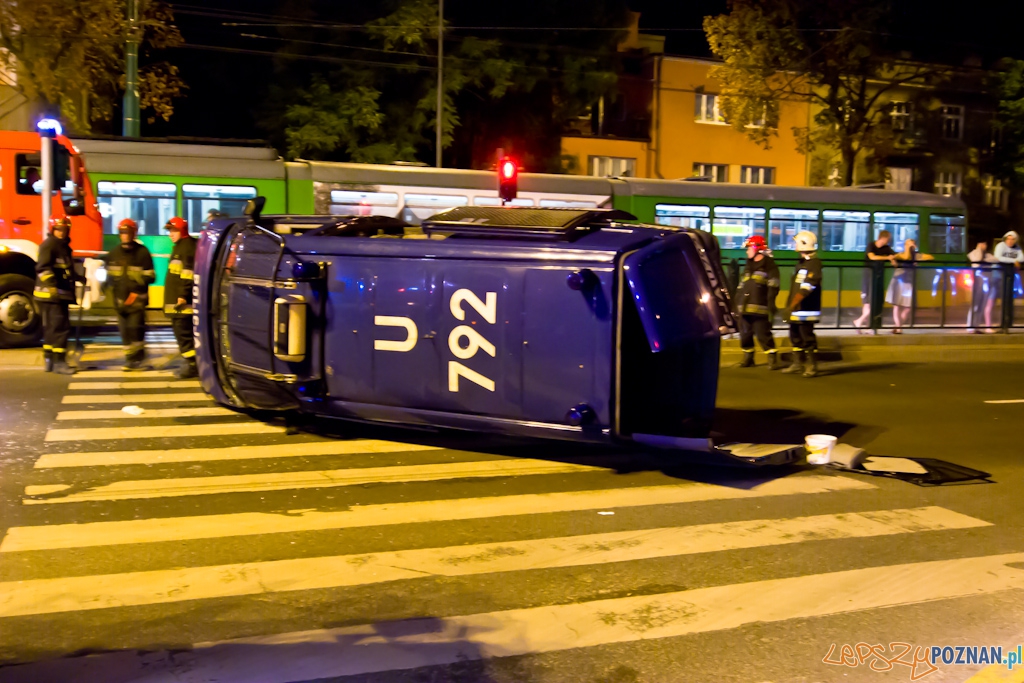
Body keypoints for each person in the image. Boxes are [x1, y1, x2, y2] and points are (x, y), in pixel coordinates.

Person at [105, 218, 156, 370]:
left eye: (128, 233)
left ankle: (138, 360)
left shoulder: (142, 253)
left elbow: (151, 276)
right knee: (125, 333)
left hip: (137, 302)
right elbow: (109, 277)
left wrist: (136, 288)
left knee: (136, 331)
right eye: (122, 233)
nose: (125, 236)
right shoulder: (113, 254)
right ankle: (130, 359)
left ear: (134, 233)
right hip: (119, 302)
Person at [34, 217, 81, 375]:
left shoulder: (63, 247)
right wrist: (52, 285)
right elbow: (42, 268)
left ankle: (49, 360)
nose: (61, 233)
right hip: (54, 295)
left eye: (64, 230)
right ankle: (59, 362)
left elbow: (65, 269)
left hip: (52, 295)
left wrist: (78, 277)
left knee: (51, 328)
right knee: (60, 328)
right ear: (53, 229)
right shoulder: (51, 245)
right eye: (58, 229)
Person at [734, 235, 781, 369]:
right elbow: (741, 287)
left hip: (760, 308)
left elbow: (774, 286)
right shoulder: (748, 267)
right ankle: (748, 358)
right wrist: (736, 305)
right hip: (744, 307)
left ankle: (772, 357)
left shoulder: (770, 267)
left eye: (749, 248)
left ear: (757, 249)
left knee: (763, 334)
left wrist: (770, 304)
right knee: (745, 334)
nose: (747, 251)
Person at [781, 230, 823, 377]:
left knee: (807, 336)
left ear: (804, 243)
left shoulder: (814, 264)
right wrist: (790, 305)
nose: (794, 245)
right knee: (795, 335)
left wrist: (793, 304)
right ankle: (798, 363)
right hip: (796, 307)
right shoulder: (802, 263)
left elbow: (808, 286)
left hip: (806, 308)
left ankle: (812, 365)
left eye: (797, 242)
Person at [164, 216, 198, 378]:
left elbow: (188, 274)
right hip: (178, 302)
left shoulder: (186, 248)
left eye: (173, 230)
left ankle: (192, 365)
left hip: (182, 304)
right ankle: (190, 363)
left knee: (183, 332)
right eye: (170, 230)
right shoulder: (180, 246)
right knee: (182, 332)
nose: (170, 233)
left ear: (182, 230)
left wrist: (183, 295)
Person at [851, 230, 897, 332]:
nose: (888, 241)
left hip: (878, 276)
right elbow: (872, 257)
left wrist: (893, 259)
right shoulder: (871, 245)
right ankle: (861, 322)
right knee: (868, 302)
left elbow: (894, 257)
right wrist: (887, 258)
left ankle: (864, 324)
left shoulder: (887, 248)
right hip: (869, 275)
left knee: (872, 302)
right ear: (883, 238)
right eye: (888, 239)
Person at [885, 238, 934, 334]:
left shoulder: (916, 255)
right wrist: (908, 248)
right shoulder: (900, 254)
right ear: (904, 245)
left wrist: (916, 249)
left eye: (912, 243)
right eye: (908, 243)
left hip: (908, 284)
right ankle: (899, 328)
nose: (911, 245)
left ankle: (897, 326)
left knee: (908, 307)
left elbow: (930, 257)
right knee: (896, 305)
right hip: (898, 282)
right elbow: (905, 257)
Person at [967, 241, 998, 333]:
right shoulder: (973, 253)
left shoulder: (988, 255)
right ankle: (971, 326)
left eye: (985, 244)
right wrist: (979, 250)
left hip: (985, 283)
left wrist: (984, 258)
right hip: (977, 282)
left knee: (982, 304)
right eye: (981, 244)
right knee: (975, 304)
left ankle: (976, 325)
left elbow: (996, 260)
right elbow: (977, 261)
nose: (983, 246)